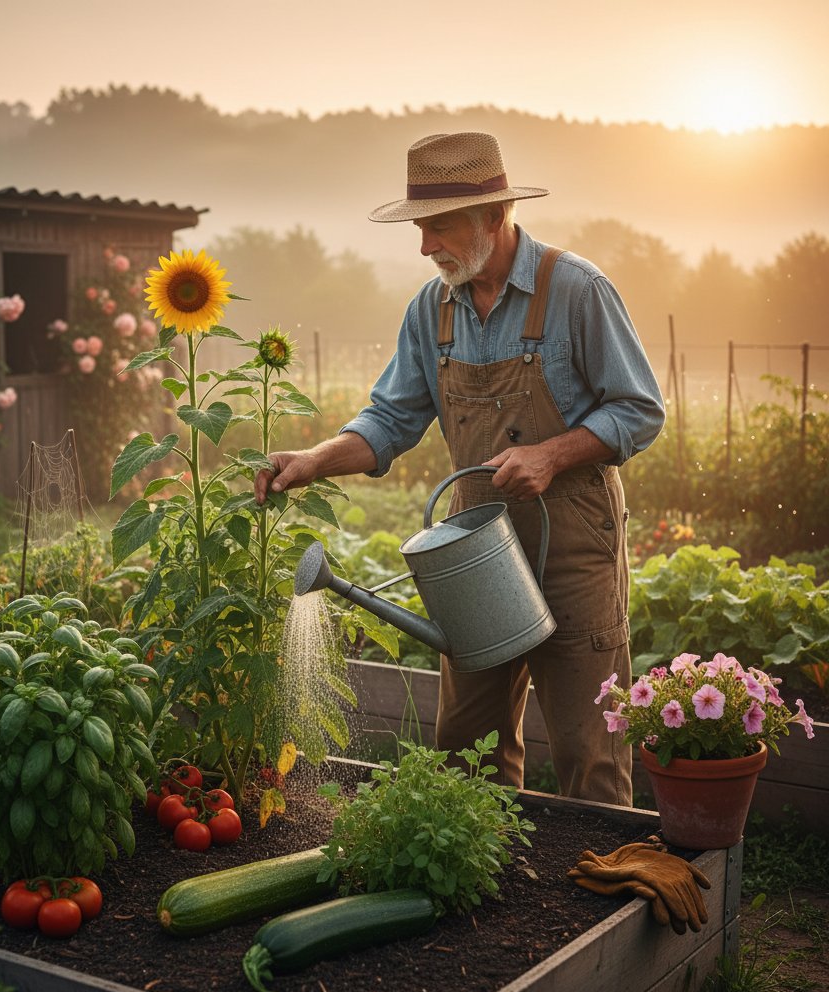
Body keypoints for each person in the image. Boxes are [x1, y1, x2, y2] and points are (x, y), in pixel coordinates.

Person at [254, 132, 665, 806]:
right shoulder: (432, 309)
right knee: (467, 747)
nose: (424, 247)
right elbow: (389, 421)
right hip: (473, 551)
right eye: (421, 229)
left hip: (574, 548)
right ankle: (488, 897)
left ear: (494, 216)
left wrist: (551, 453)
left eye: (438, 227)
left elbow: (641, 409)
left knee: (588, 751)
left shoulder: (577, 291)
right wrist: (312, 461)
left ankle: (597, 904)